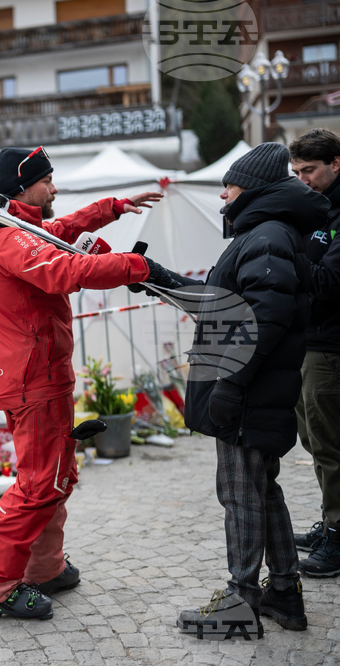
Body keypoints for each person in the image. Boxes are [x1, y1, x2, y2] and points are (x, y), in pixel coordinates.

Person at [0, 145, 180, 620]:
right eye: (47, 181)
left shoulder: (16, 229)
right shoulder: (10, 241)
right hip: (33, 379)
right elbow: (67, 269)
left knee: (53, 478)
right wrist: (136, 267)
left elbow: (58, 234)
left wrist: (113, 209)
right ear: (24, 188)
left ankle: (43, 568)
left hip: (33, 374)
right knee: (40, 485)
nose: (54, 188)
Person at [177, 142, 328, 638]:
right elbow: (230, 302)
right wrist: (157, 279)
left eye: (230, 184)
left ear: (254, 188)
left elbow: (263, 319)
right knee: (263, 491)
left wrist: (230, 384)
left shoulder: (266, 234)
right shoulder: (269, 232)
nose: (223, 194)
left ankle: (240, 601)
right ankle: (284, 592)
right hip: (255, 388)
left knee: (240, 494)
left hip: (249, 391)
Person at [289, 128, 340, 578]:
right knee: (315, 442)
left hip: (332, 345)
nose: (302, 179)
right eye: (296, 172)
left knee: (331, 445)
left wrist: (286, 256)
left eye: (310, 170)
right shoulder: (316, 209)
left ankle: (339, 536)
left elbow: (328, 283)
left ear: (336, 164)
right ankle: (331, 522)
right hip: (312, 340)